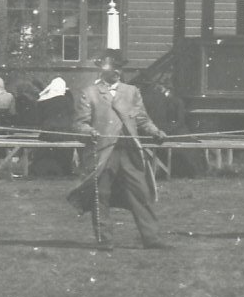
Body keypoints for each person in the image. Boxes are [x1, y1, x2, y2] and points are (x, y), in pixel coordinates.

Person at [67, 57, 171, 249]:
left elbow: (142, 119)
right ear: (102, 71)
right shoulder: (89, 93)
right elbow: (80, 123)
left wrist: (155, 132)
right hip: (103, 151)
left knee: (141, 193)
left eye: (118, 68)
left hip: (129, 150)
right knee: (101, 195)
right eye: (110, 69)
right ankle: (105, 240)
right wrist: (88, 131)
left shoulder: (131, 92)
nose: (115, 72)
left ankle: (152, 238)